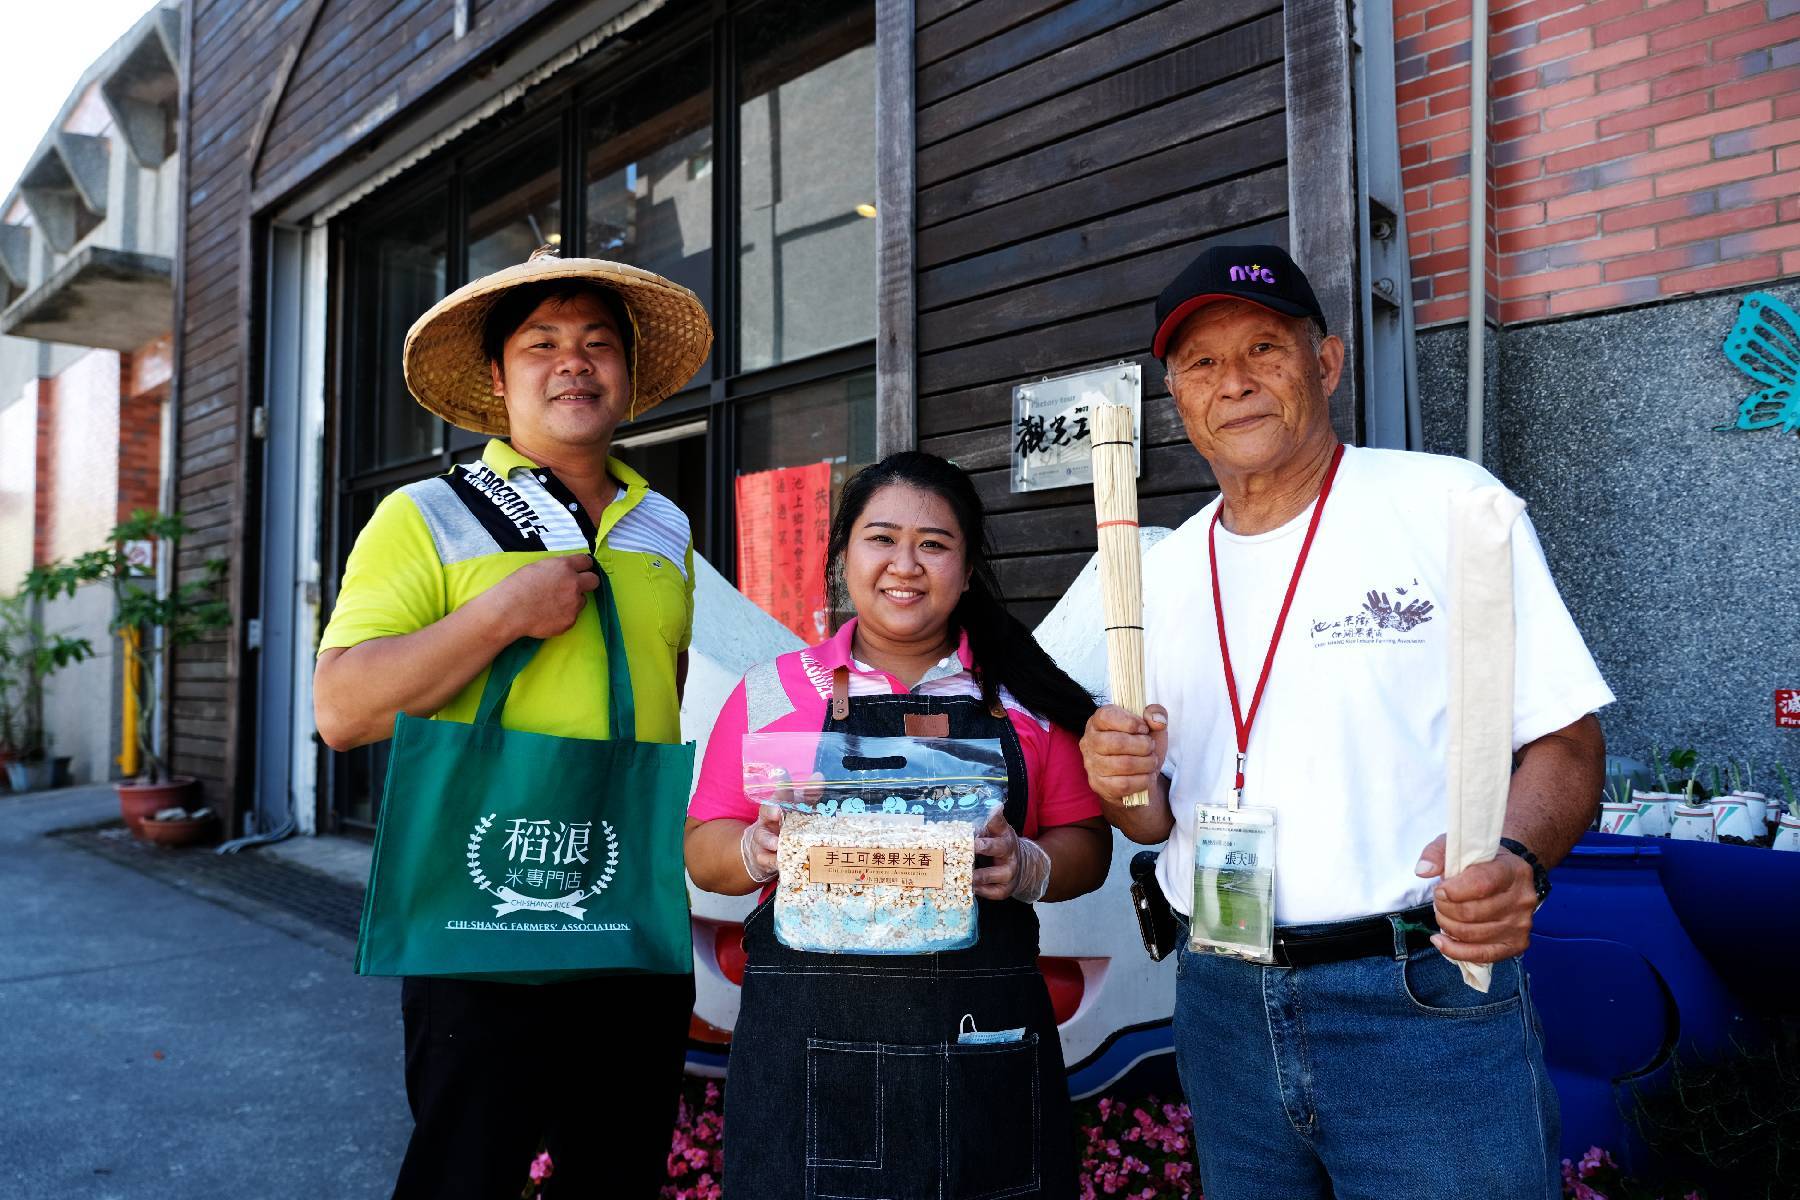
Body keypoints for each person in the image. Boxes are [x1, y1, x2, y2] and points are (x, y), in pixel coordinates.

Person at [1080, 243, 1612, 1200]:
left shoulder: (1448, 503)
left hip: (1419, 994)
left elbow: (1566, 740)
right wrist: (1118, 781)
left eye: (1264, 350)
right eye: (1202, 363)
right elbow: (1152, 820)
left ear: (1324, 362)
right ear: (1176, 398)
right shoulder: (1152, 577)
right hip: (1223, 1002)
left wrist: (1518, 860)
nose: (1234, 383)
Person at [313, 247, 712, 1199]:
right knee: (466, 1172)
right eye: (542, 343)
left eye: (597, 343)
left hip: (626, 909)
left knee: (618, 1172)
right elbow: (340, 708)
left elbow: (668, 690)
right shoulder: (427, 514)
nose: (573, 362)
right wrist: (499, 614)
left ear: (624, 372)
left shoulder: (667, 527)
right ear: (497, 378)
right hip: (478, 909)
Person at [685, 451, 1112, 1199]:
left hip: (979, 1047)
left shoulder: (1027, 701)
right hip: (804, 1053)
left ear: (968, 567)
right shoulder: (769, 694)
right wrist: (755, 849)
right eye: (881, 538)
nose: (905, 565)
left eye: (934, 544)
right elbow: (703, 849)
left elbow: (1089, 847)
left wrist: (1031, 868)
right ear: (843, 552)